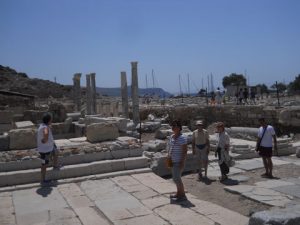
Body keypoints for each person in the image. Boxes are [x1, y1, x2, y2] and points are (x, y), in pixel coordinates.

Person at [37, 113, 60, 185]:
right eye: (51, 119)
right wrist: (45, 139)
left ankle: (55, 165)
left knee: (56, 151)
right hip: (45, 150)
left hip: (49, 147)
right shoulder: (45, 128)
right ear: (49, 120)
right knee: (44, 164)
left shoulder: (43, 125)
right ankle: (43, 180)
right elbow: (46, 133)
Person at [169, 120, 188, 201]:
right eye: (172, 126)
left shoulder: (182, 138)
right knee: (174, 178)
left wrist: (182, 162)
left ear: (179, 128)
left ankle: (182, 195)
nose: (173, 127)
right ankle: (178, 193)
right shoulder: (171, 137)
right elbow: (170, 147)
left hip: (178, 161)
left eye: (175, 126)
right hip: (171, 160)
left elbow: (184, 151)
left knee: (177, 178)